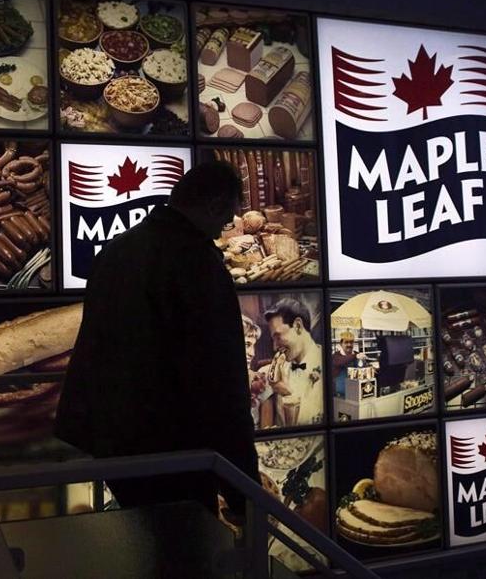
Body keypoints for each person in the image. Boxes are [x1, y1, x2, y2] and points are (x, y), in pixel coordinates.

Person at [55, 160, 260, 516]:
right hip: (174, 446)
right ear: (212, 205)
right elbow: (219, 378)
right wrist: (242, 486)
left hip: (113, 441)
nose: (226, 225)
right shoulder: (197, 263)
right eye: (227, 213)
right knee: (189, 553)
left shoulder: (118, 249)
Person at [264, 298, 324, 427]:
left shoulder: (329, 364)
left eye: (278, 336)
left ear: (297, 326)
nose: (275, 347)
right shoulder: (279, 370)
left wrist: (288, 394)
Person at [331, 331, 364, 397]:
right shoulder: (335, 356)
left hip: (355, 392)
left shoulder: (356, 354)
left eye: (351, 342)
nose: (349, 345)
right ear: (341, 344)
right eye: (346, 342)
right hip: (340, 395)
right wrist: (355, 356)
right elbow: (341, 361)